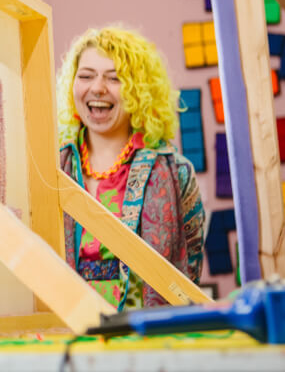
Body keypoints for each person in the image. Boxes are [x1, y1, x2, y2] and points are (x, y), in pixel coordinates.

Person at [56, 26, 204, 310]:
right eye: (86, 76)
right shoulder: (52, 169)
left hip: (148, 341)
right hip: (65, 334)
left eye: (115, 78)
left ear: (140, 91)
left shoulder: (177, 173)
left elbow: (189, 271)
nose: (97, 87)